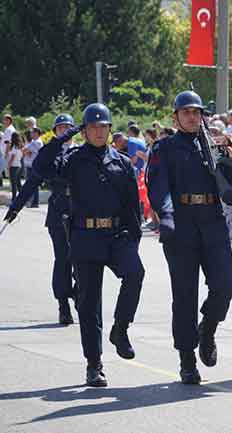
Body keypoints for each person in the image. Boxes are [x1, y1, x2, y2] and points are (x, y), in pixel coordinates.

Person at [32, 103, 145, 387]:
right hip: (85, 236)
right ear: (84, 130)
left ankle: (120, 329)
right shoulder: (72, 160)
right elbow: (41, 167)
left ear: (109, 130)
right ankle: (94, 364)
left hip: (117, 234)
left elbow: (133, 205)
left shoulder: (120, 162)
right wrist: (59, 138)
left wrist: (134, 239)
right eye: (92, 127)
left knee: (135, 273)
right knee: (89, 303)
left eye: (103, 127)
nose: (98, 131)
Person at [147, 90, 232, 384]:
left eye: (196, 112)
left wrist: (230, 165)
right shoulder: (164, 149)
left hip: (212, 221)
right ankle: (187, 359)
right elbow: (158, 187)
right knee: (185, 295)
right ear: (175, 117)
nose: (192, 117)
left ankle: (208, 328)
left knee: (224, 284)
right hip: (182, 223)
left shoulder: (214, 146)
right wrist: (167, 217)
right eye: (186, 112)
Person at [4, 114, 79, 325]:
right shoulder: (48, 155)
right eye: (60, 128)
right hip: (58, 212)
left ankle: (79, 293)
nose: (64, 131)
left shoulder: (83, 151)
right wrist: (15, 207)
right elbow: (32, 183)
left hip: (81, 211)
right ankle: (63, 304)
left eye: (68, 127)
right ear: (55, 132)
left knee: (85, 259)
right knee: (63, 258)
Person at [22, 127, 44, 207]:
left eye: (32, 132)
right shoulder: (35, 142)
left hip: (33, 166)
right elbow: (26, 151)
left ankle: (33, 202)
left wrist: (27, 151)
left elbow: (24, 150)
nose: (31, 134)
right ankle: (34, 202)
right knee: (34, 185)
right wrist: (27, 152)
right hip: (32, 165)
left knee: (32, 185)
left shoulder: (36, 142)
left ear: (36, 133)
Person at [6, 132, 24, 201]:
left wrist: (8, 165)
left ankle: (14, 199)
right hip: (19, 165)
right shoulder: (20, 146)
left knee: (13, 183)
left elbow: (12, 157)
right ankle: (22, 198)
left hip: (13, 166)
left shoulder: (14, 147)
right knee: (18, 183)